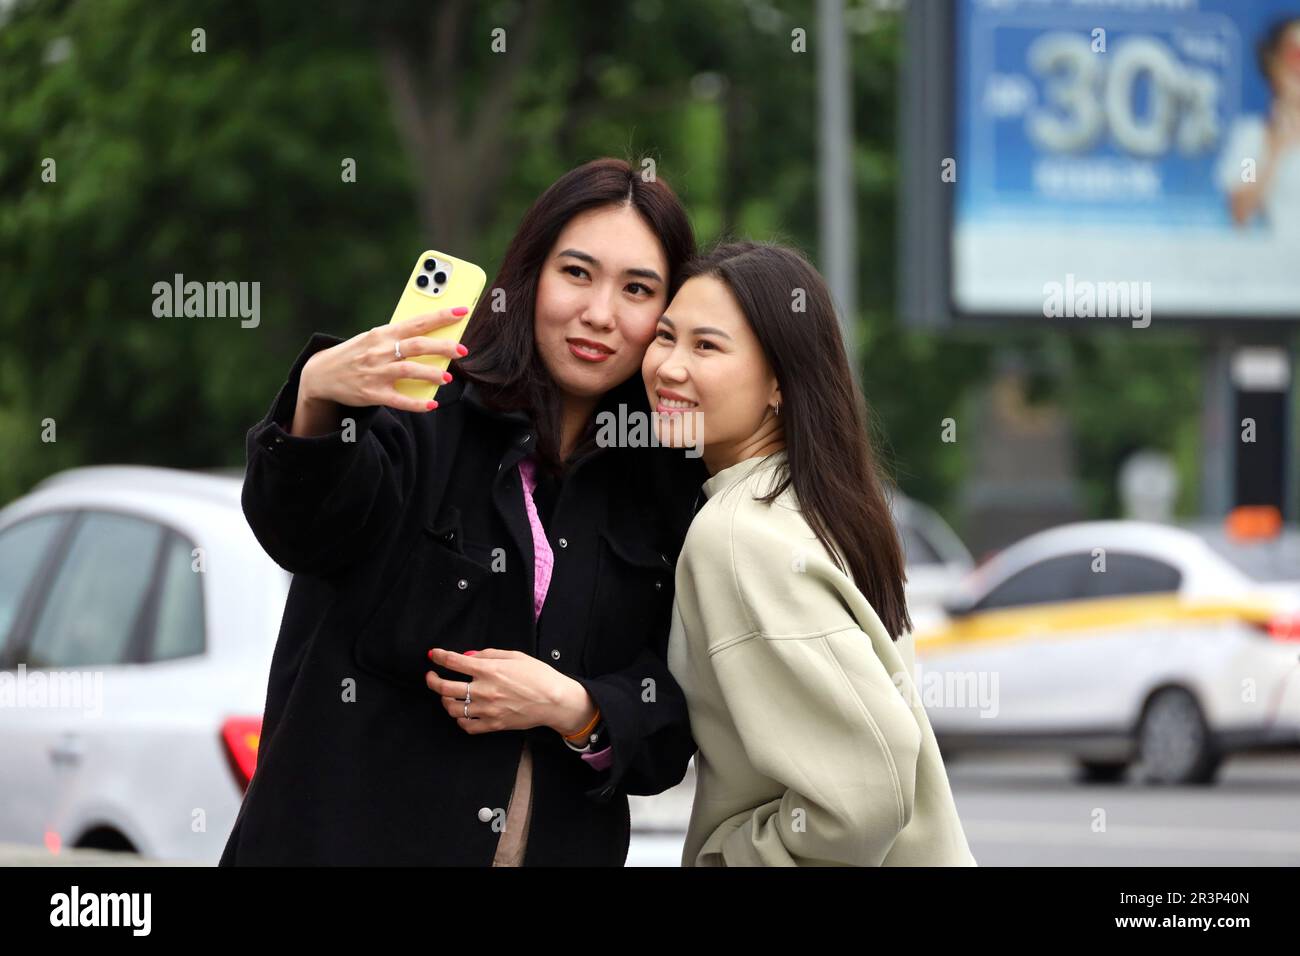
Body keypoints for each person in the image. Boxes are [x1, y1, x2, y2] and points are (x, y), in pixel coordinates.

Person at [219, 158, 704, 865]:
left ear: (666, 318)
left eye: (637, 289)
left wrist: (577, 708)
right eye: (576, 273)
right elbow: (300, 531)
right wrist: (318, 397)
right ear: (530, 275)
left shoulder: (662, 488)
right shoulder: (422, 412)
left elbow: (670, 726)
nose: (600, 313)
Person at [645, 241, 977, 866]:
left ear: (779, 383)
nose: (668, 367)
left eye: (706, 346)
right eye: (665, 337)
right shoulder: (821, 506)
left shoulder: (739, 537)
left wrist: (726, 861)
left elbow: (867, 795)